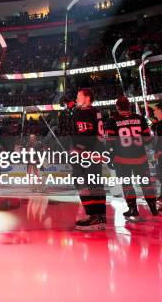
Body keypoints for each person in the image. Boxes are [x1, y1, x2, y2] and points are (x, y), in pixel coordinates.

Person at [105, 96, 158, 222]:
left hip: (122, 159)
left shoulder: (112, 121)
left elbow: (110, 142)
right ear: (129, 106)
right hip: (140, 157)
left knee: (127, 184)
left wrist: (110, 157)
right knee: (146, 183)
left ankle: (133, 209)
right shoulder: (140, 118)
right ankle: (153, 208)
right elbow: (148, 139)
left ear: (117, 107)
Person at [70, 88, 107, 231]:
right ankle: (100, 216)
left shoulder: (81, 112)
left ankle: (93, 216)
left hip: (86, 152)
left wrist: (78, 148)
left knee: (80, 181)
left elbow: (84, 132)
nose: (77, 98)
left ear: (87, 98)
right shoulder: (96, 111)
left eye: (79, 96)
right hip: (97, 150)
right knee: (96, 184)